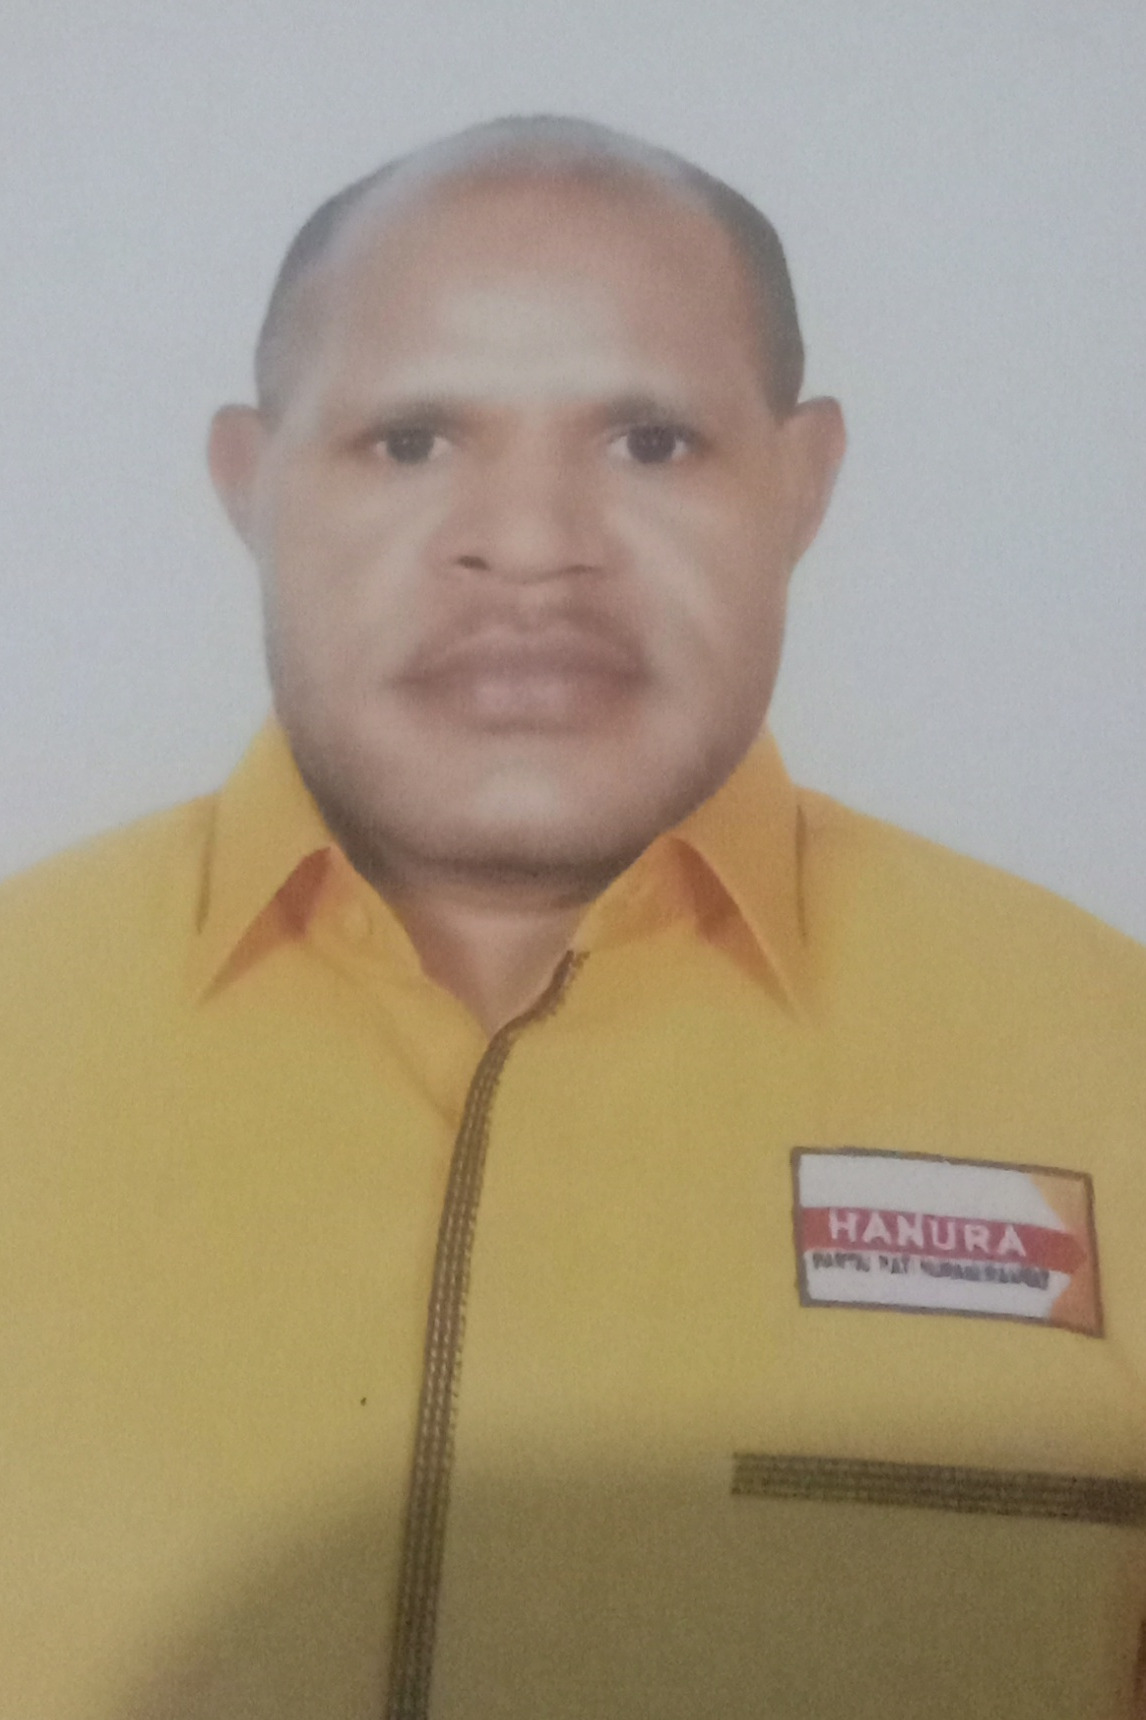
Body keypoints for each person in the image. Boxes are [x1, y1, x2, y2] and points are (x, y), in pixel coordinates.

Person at [1, 114, 1144, 1720]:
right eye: (411, 441)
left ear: (802, 485)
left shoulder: (1106, 1065)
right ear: (248, 487)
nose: (531, 549)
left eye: (650, 443)